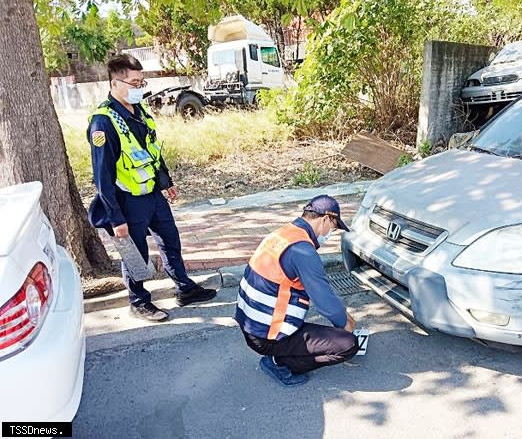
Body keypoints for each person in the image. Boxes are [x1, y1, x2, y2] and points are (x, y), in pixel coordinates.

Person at [87, 54, 216, 322]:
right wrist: (116, 217)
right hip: (127, 199)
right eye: (134, 83)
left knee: (170, 241)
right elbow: (102, 175)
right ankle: (138, 301)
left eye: (141, 82)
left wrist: (165, 182)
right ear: (115, 83)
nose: (139, 88)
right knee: (136, 254)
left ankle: (184, 288)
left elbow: (152, 151)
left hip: (153, 195)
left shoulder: (141, 113)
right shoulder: (104, 122)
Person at [235, 194, 359, 386]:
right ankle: (279, 362)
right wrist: (344, 325)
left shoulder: (283, 234)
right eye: (333, 228)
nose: (330, 233)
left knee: (332, 332)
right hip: (268, 336)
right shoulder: (302, 250)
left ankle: (280, 354)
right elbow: (323, 298)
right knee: (348, 345)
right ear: (326, 219)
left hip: (251, 325)